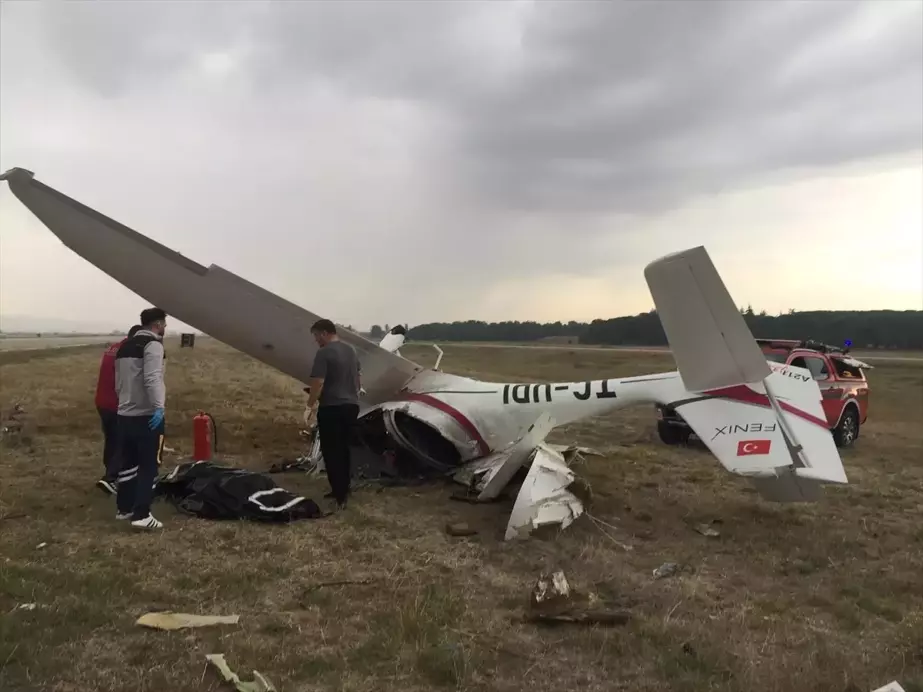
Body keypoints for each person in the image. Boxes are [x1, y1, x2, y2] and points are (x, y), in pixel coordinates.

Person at [114, 307, 168, 529]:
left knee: (127, 463)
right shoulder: (153, 345)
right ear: (157, 324)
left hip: (124, 413)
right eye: (164, 323)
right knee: (149, 466)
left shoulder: (124, 346)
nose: (165, 327)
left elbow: (118, 382)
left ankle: (124, 509)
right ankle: (142, 514)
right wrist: (159, 407)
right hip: (146, 415)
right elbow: (153, 378)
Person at [305, 318, 361, 510]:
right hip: (352, 406)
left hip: (332, 408)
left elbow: (318, 382)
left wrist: (309, 405)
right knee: (345, 449)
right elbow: (357, 376)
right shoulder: (351, 350)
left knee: (331, 451)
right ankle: (344, 488)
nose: (316, 341)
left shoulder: (324, 352)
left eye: (315, 336)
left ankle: (339, 495)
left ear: (324, 333)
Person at [94, 324, 141, 495]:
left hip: (102, 402)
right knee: (123, 442)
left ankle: (110, 474)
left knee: (112, 440)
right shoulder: (129, 353)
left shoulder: (113, 348)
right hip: (117, 404)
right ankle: (111, 479)